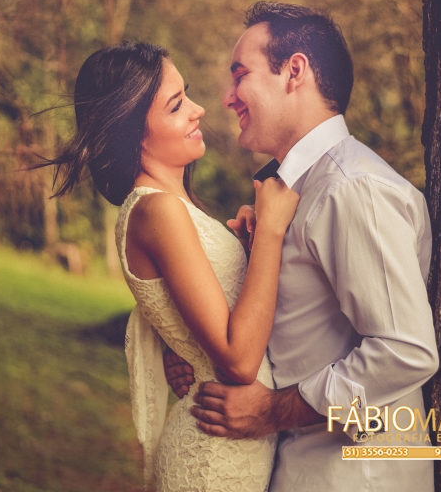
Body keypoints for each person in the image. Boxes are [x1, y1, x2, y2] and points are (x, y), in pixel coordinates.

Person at [165, 2, 440, 492]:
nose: (227, 98)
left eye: (240, 75)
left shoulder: (352, 189)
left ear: (294, 71)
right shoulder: (297, 192)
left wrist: (271, 412)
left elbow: (406, 350)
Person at [49, 40, 299, 491]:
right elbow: (239, 361)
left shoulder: (172, 208)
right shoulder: (157, 210)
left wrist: (251, 241)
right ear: (135, 132)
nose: (199, 109)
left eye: (188, 95)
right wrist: (273, 236)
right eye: (177, 104)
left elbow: (191, 310)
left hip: (230, 446)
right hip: (211, 461)